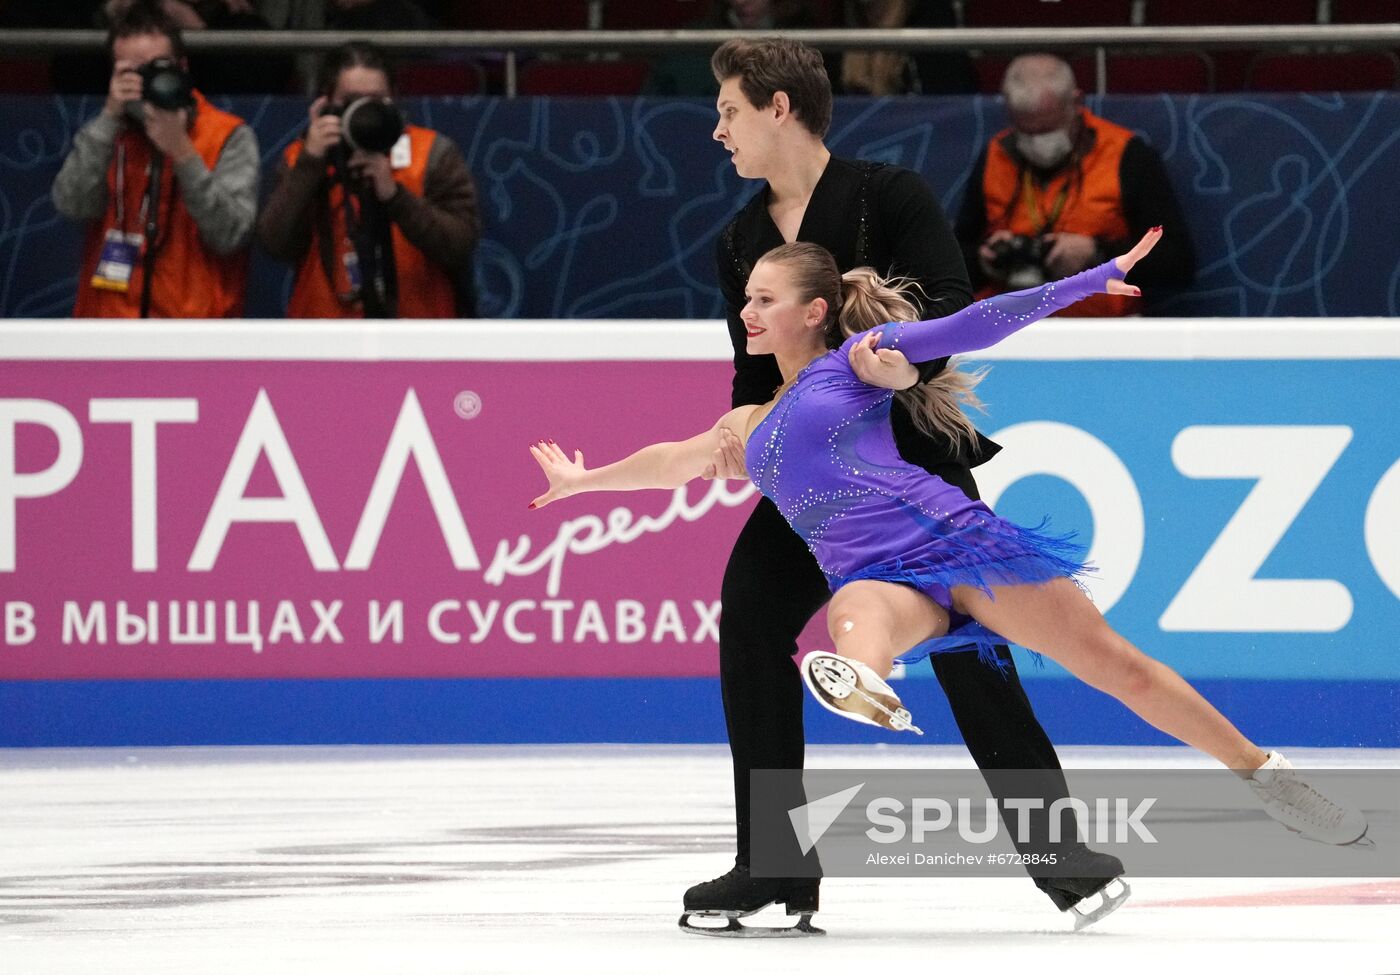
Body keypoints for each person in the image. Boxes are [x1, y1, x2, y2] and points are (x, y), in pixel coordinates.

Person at [526, 230, 1368, 918]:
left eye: (763, 299)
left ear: (813, 311)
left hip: (960, 546)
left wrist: (1091, 280)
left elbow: (972, 327)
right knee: (852, 612)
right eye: (746, 297)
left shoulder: (855, 363)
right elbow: (671, 462)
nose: (745, 310)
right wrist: (583, 481)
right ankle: (860, 678)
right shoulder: (746, 425)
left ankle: (1266, 774)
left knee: (1119, 669)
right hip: (877, 573)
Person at [693, 35, 1122, 934]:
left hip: (912, 463)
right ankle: (775, 863)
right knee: (752, 614)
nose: (718, 127)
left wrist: (877, 358)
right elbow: (751, 372)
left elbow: (951, 305)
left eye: (730, 108)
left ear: (780, 108)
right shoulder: (738, 239)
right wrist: (742, 424)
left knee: (971, 647)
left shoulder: (886, 195)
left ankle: (1061, 856)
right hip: (813, 481)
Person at [51, 3, 258, 318]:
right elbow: (73, 206)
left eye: (157, 68)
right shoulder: (105, 135)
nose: (146, 82)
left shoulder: (227, 135)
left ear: (183, 67)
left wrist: (183, 152)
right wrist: (109, 118)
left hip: (192, 334)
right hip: (107, 329)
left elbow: (229, 234)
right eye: (132, 71)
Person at [955, 52, 1195, 316]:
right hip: (1009, 323)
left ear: (1076, 102)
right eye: (1026, 131)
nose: (1037, 142)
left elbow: (1177, 262)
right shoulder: (995, 154)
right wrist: (984, 260)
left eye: (1047, 129)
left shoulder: (1127, 154)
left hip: (1104, 327)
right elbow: (951, 262)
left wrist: (1097, 253)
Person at [256, 42, 481, 318]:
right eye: (351, 102)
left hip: (418, 340)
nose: (363, 112)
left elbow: (460, 246)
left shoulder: (432, 154)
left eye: (375, 101)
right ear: (326, 103)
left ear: (394, 100)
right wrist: (310, 164)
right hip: (323, 340)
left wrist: (395, 196)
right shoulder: (301, 159)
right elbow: (274, 244)